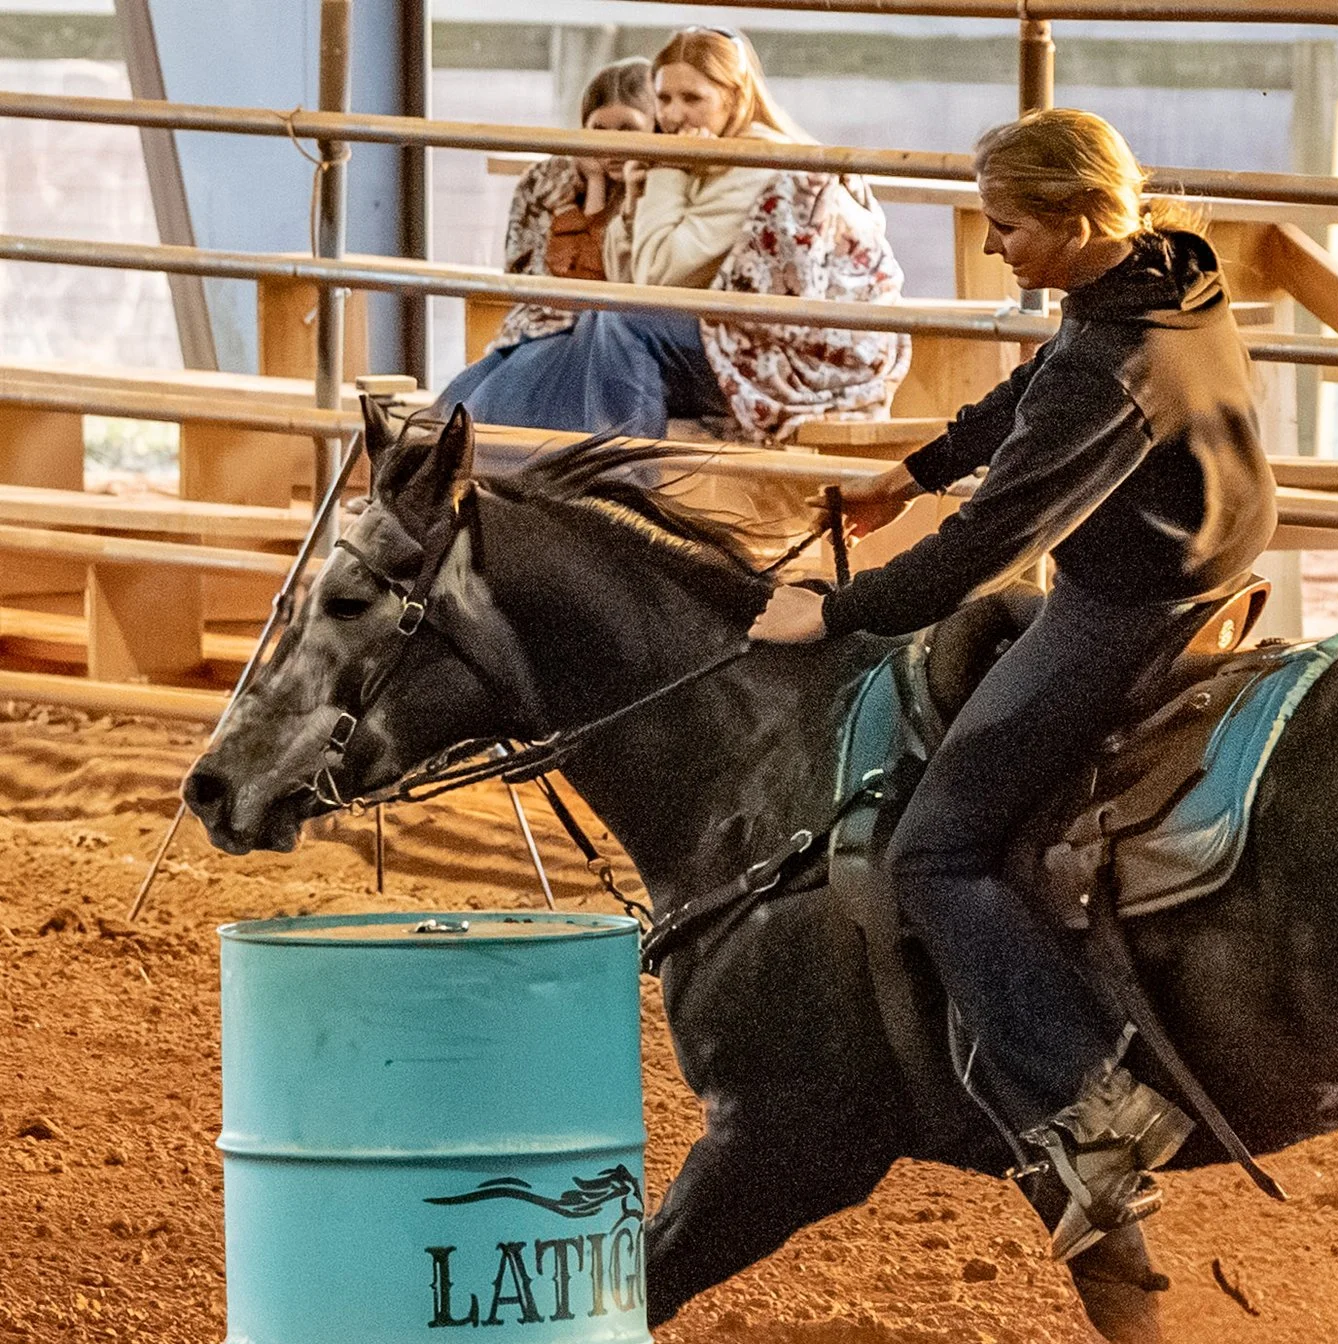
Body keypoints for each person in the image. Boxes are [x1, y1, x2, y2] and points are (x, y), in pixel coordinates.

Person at [746, 109, 1276, 1262]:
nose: (992, 249)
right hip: (1206, 557)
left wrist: (832, 611)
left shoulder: (1109, 358)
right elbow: (1035, 389)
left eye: (1007, 227)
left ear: (1079, 218)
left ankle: (1093, 1105)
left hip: (1131, 605)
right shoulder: (1162, 281)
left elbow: (989, 545)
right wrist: (917, 467)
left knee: (933, 852)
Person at [437, 27, 908, 442]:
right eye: (664, 99)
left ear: (734, 97)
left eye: (693, 98)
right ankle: (458, 447)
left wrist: (666, 174)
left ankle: (619, 492)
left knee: (617, 327)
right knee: (531, 354)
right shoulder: (701, 157)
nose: (676, 114)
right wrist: (642, 194)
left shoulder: (754, 165)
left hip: (789, 360)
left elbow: (656, 281)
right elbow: (629, 279)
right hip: (723, 337)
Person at [439, 59, 655, 417]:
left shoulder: (657, 184)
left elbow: (613, 280)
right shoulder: (547, 180)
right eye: (599, 130)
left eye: (628, 128)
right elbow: (530, 276)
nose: (613, 144)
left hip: (604, 332)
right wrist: (595, 188)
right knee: (481, 393)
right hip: (544, 324)